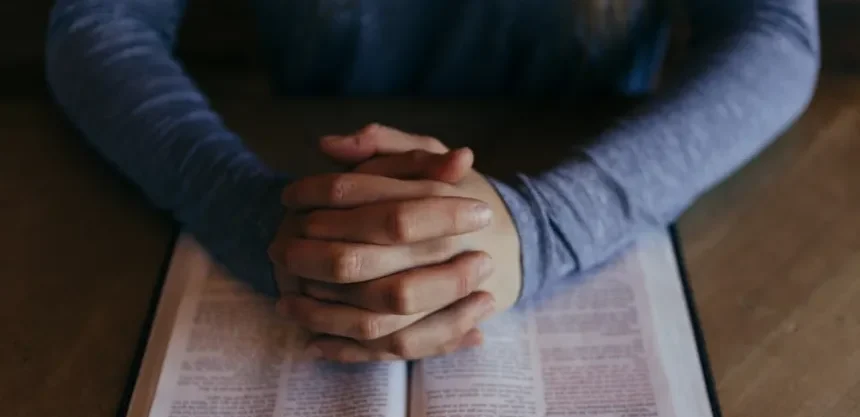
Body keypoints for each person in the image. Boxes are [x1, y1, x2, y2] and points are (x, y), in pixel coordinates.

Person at [45, 0, 820, 362]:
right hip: (313, 176)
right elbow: (97, 24)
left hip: (587, 163)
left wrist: (546, 227)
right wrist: (258, 213)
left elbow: (775, 31)